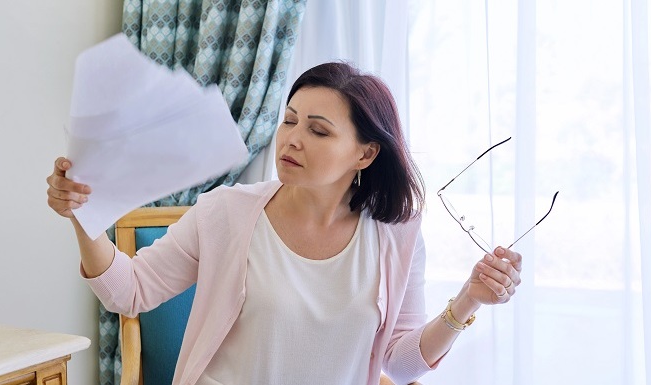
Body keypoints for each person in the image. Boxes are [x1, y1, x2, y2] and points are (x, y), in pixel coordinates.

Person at [46, 62, 522, 385]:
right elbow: (129, 291)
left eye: (318, 130)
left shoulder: (398, 236)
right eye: (290, 121)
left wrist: (469, 299)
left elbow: (399, 366)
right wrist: (83, 215)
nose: (292, 139)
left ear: (365, 153)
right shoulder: (225, 212)